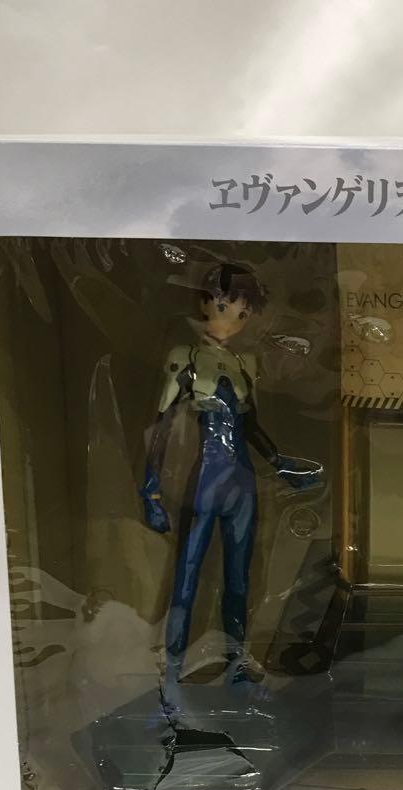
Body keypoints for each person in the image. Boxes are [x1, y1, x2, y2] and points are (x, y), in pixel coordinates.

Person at [140, 262, 321, 713]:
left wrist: (281, 465)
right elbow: (161, 425)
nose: (231, 318)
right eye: (222, 306)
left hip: (241, 483)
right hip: (203, 481)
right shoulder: (186, 357)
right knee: (187, 580)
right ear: (204, 303)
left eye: (241, 312)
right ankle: (171, 675)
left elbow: (252, 426)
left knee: (239, 581)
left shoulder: (244, 364)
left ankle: (237, 666)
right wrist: (151, 490)